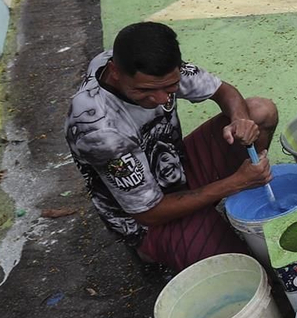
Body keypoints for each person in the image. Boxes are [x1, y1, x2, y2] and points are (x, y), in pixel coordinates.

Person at [65, 21, 279, 272]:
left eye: (170, 87)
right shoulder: (99, 130)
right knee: (240, 269)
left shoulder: (147, 66)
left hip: (173, 167)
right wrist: (237, 182)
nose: (161, 99)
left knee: (259, 112)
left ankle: (218, 206)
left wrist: (240, 120)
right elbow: (149, 212)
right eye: (146, 91)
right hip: (148, 218)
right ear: (115, 73)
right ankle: (149, 249)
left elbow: (224, 91)